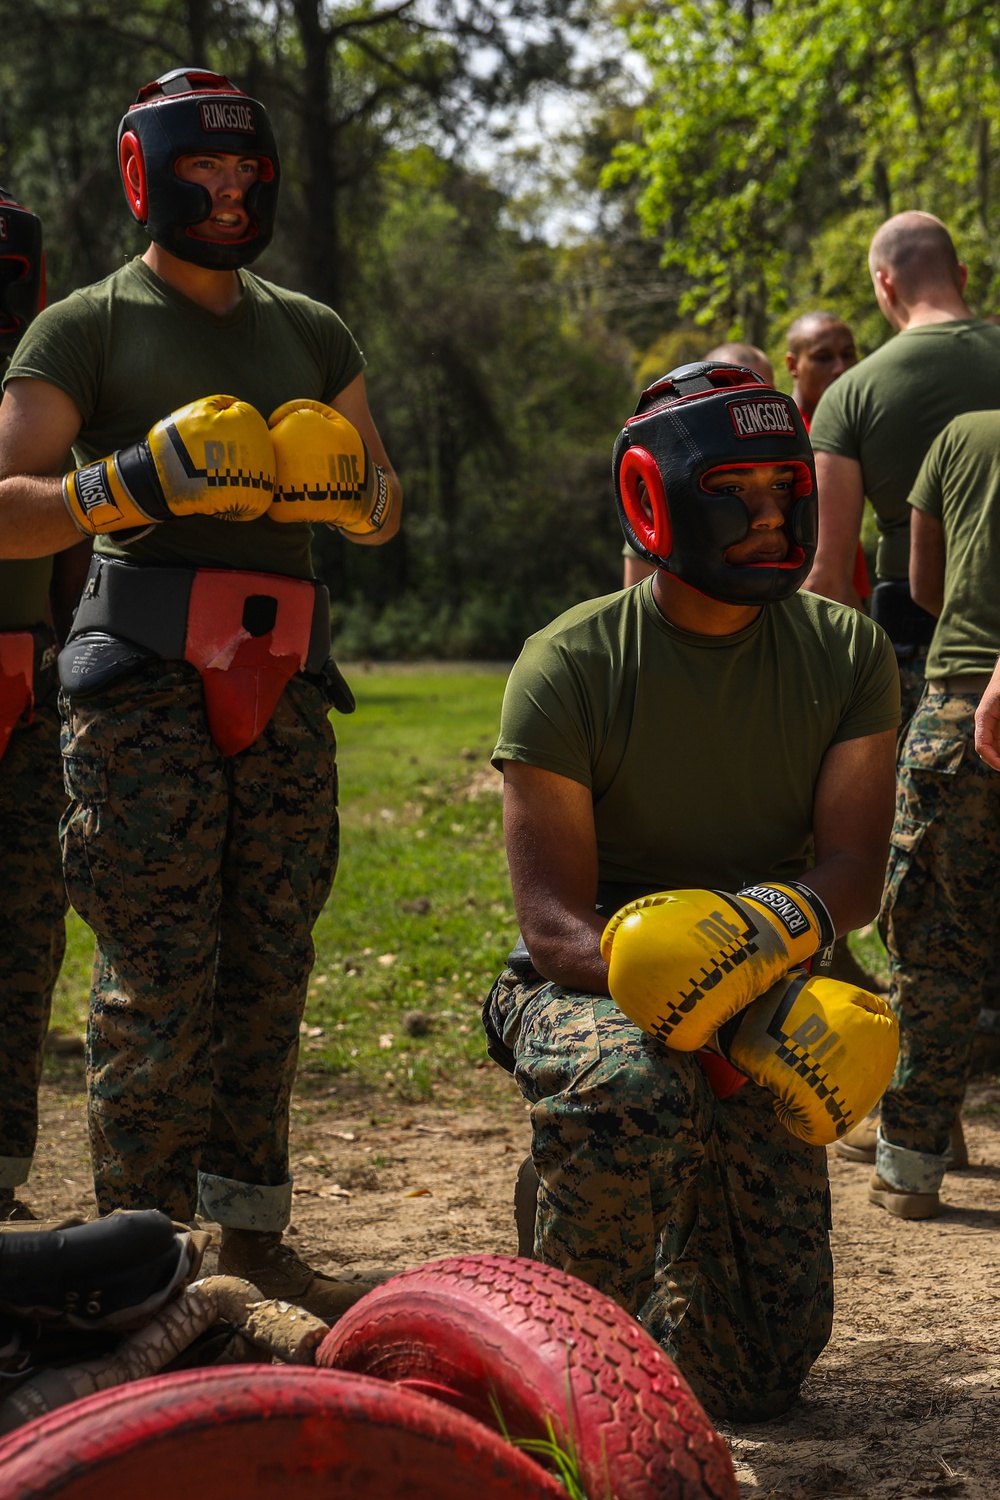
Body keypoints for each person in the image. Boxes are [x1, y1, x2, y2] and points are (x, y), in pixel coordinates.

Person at [0, 69, 401, 1314]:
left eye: (246, 175)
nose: (228, 195)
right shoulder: (85, 325)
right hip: (143, 693)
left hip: (285, 683)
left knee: (270, 963)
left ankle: (253, 1234)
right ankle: (143, 1252)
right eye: (201, 174)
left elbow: (384, 510)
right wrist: (126, 484)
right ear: (143, 178)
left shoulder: (314, 329)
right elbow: (6, 505)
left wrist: (342, 490)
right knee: (155, 979)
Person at [485, 361, 899, 1421]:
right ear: (650, 496)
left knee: (753, 1383)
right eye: (733, 489)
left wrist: (753, 963)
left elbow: (852, 869)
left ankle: (661, 1233)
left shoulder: (846, 649)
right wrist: (680, 1001)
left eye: (785, 486)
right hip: (582, 985)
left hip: (763, 985)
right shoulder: (568, 661)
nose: (769, 517)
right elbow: (551, 921)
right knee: (628, 1086)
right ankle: (567, 1350)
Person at [870, 411, 1000, 1218]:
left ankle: (914, 1161)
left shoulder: (965, 435)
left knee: (933, 939)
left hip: (964, 701)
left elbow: (925, 585)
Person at [805, 211, 1000, 726]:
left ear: (884, 284)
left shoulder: (850, 395)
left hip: (913, 656)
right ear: (960, 275)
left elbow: (827, 576)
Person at [0, 188, 88, 1222]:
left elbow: (72, 540)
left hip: (29, 695)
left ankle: (4, 1177)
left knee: (24, 938)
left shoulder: (44, 392)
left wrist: (60, 657)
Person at [621, 343, 774, 589]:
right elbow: (639, 595)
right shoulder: (670, 490)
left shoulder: (797, 474)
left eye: (761, 392)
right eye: (729, 393)